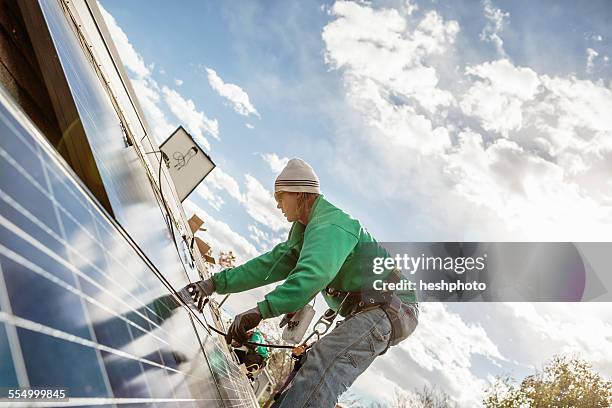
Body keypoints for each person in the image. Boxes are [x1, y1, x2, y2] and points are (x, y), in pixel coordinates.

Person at [185, 158, 419, 407]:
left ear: (299, 194)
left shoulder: (331, 225)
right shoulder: (306, 232)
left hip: (391, 307)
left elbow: (313, 275)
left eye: (280, 196)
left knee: (323, 363)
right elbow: (268, 265)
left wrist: (261, 310)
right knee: (311, 368)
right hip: (375, 309)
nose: (277, 204)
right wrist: (214, 284)